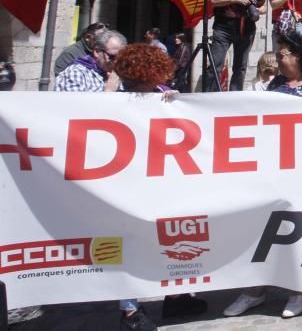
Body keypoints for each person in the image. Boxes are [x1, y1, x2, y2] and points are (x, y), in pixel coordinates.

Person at [56, 32, 207, 329]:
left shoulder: (159, 95)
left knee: (169, 240)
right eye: (151, 78)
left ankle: (175, 297)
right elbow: (74, 122)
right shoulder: (114, 96)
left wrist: (175, 105)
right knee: (129, 243)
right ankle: (129, 310)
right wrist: (108, 100)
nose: (155, 83)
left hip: (158, 184)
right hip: (124, 186)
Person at [224, 31, 302, 320]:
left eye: (284, 54)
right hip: (275, 174)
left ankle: (298, 290)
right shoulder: (275, 88)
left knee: (299, 232)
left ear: (299, 56)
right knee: (263, 233)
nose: (279, 59)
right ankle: (254, 292)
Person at [207, 0, 266, 91]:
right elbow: (214, 0)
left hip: (245, 30)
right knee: (216, 64)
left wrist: (258, 11)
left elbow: (263, 6)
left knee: (240, 67)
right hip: (223, 29)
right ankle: (210, 96)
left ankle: (234, 97)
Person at [54, 29, 126, 93]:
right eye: (112, 57)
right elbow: (75, 106)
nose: (116, 62)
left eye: (120, 58)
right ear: (97, 51)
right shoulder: (76, 72)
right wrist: (109, 91)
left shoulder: (117, 75)